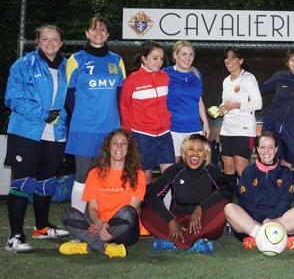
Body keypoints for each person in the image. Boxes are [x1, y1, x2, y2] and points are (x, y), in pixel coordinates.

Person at [4, 25, 70, 252]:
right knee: (23, 182)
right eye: (45, 39)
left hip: (56, 134)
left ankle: (42, 228)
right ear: (37, 42)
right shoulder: (23, 65)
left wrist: (62, 123)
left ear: (62, 43)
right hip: (26, 131)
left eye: (55, 39)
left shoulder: (67, 67)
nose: (50, 43)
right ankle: (15, 237)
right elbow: (12, 98)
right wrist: (44, 115)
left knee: (46, 182)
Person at [66, 16, 126, 213]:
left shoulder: (117, 60)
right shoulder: (76, 59)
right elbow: (69, 95)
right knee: (83, 174)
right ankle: (77, 221)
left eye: (102, 29)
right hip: (84, 127)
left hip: (110, 128)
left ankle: (103, 219)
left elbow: (121, 95)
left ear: (108, 34)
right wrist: (83, 117)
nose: (98, 32)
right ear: (86, 33)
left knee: (105, 174)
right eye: (94, 28)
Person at [59, 129, 146, 258]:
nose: (119, 147)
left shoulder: (138, 174)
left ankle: (88, 244)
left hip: (124, 229)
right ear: (108, 147)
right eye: (115, 143)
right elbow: (92, 208)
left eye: (123, 143)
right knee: (68, 213)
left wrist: (106, 226)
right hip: (99, 225)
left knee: (128, 212)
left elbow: (133, 209)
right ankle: (105, 247)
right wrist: (99, 224)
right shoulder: (95, 173)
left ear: (129, 149)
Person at [142, 134, 230, 253]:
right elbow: (151, 196)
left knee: (226, 206)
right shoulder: (175, 170)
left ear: (205, 155)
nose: (195, 153)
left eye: (200, 150)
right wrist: (170, 220)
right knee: (146, 213)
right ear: (184, 153)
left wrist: (201, 208)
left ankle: (174, 241)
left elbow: (226, 191)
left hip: (203, 222)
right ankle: (195, 242)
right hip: (178, 222)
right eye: (191, 149)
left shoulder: (212, 170)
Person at [223, 133, 294, 251]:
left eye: (270, 147)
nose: (266, 151)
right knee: (229, 208)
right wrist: (264, 219)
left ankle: (258, 238)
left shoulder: (285, 172)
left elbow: (286, 200)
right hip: (252, 222)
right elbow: (245, 201)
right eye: (263, 147)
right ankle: (277, 238)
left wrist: (273, 219)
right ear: (257, 149)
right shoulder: (248, 171)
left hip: (279, 221)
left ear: (276, 149)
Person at [120, 41, 174, 185]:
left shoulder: (165, 77)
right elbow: (124, 108)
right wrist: (128, 134)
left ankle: (166, 207)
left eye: (161, 59)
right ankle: (142, 208)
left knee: (170, 176)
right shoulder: (132, 80)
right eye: (155, 58)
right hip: (142, 135)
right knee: (145, 178)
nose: (159, 62)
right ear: (144, 58)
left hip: (164, 134)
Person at [217, 47, 262, 193]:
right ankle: (228, 204)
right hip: (227, 130)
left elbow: (258, 104)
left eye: (232, 58)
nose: (228, 61)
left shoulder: (248, 78)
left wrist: (236, 105)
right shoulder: (225, 81)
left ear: (241, 60)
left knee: (241, 169)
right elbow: (226, 104)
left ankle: (249, 205)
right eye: (226, 58)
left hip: (243, 131)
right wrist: (221, 109)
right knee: (228, 168)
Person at [163, 40, 209, 163]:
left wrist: (205, 123)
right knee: (173, 170)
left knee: (194, 167)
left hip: (194, 128)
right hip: (173, 129)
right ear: (175, 55)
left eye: (191, 54)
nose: (188, 58)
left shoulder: (197, 74)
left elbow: (198, 100)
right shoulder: (165, 74)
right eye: (184, 54)